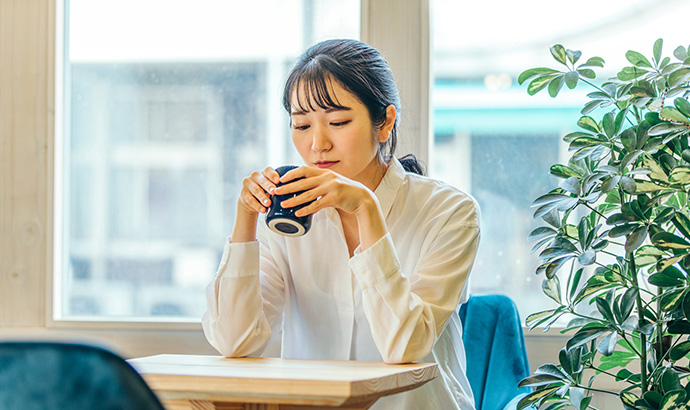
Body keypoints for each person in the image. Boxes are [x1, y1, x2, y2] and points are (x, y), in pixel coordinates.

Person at [202, 39, 480, 410]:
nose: (317, 144)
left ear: (385, 123)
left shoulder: (449, 212)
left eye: (338, 122)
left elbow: (406, 345)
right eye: (301, 125)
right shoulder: (285, 214)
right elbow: (234, 341)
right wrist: (245, 222)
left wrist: (367, 210)